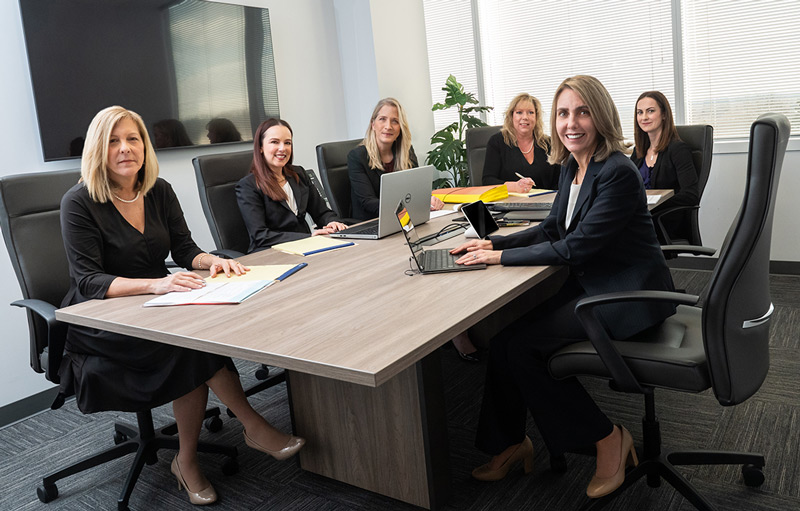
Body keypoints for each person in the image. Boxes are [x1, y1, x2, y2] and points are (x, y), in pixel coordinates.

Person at [59, 106, 305, 506]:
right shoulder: (79, 201)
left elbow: (184, 248)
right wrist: (158, 284)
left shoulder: (159, 190)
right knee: (190, 346)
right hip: (101, 318)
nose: (126, 149)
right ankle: (245, 429)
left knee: (196, 337)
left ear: (145, 146)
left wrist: (213, 261)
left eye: (133, 139)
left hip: (160, 303)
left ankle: (188, 457)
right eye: (114, 141)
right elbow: (88, 281)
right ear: (98, 150)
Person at [451, 76, 676, 499]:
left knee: (522, 350)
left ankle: (607, 437)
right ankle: (511, 444)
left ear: (601, 116)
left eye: (582, 111)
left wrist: (498, 258)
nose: (571, 123)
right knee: (502, 342)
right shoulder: (574, 165)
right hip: (592, 286)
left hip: (626, 296)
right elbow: (554, 227)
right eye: (563, 113)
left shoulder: (618, 173)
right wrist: (493, 242)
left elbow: (576, 246)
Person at [236, 118, 347, 252]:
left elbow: (321, 211)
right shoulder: (248, 186)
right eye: (274, 142)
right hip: (270, 252)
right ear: (260, 147)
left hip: (307, 246)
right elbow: (261, 235)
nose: (282, 148)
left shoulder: (298, 174)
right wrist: (308, 237)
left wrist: (331, 222)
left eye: (287, 143)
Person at [348, 97, 444, 220]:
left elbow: (417, 189)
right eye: (382, 119)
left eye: (395, 121)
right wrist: (407, 207)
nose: (388, 126)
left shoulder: (407, 152)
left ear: (400, 127)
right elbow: (368, 202)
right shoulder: (357, 156)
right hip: (371, 223)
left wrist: (428, 199)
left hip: (403, 219)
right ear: (373, 124)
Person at [630, 91, 699, 243]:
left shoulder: (678, 149)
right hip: (640, 217)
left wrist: (656, 204)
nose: (644, 117)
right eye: (639, 112)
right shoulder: (639, 151)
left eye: (650, 111)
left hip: (664, 220)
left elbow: (691, 194)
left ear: (664, 115)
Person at [482, 93, 560, 192]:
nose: (525, 117)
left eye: (530, 112)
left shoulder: (549, 143)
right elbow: (487, 181)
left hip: (545, 203)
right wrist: (514, 187)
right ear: (511, 116)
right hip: (509, 203)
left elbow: (559, 181)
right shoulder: (497, 142)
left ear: (536, 117)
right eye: (519, 112)